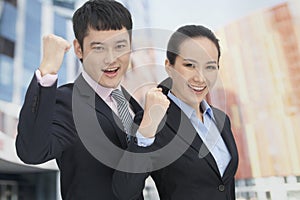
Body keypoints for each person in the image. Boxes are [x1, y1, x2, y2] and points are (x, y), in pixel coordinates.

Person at [15, 0, 169, 199]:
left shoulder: (131, 104)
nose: (111, 59)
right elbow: (32, 152)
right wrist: (47, 70)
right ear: (79, 49)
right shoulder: (69, 102)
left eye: (120, 46)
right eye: (99, 48)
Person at [112, 25, 239, 200]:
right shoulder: (154, 120)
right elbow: (124, 191)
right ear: (169, 67)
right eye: (189, 65)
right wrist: (147, 130)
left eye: (210, 67)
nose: (200, 78)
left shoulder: (221, 120)